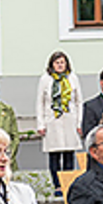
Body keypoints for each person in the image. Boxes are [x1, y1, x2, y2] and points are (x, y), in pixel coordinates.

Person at [37, 52, 84, 193]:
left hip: (70, 120)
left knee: (69, 154)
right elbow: (40, 102)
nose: (60, 65)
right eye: (57, 62)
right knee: (54, 155)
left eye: (62, 62)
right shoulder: (46, 79)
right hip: (52, 120)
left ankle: (68, 184)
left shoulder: (72, 78)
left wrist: (79, 123)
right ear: (52, 64)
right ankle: (57, 185)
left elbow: (78, 101)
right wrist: (41, 124)